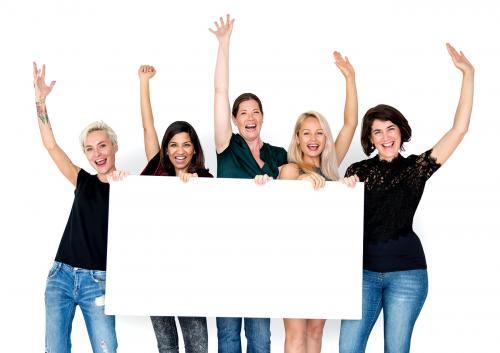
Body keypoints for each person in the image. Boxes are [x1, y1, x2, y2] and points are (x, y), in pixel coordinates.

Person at [339, 43, 474, 353]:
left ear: (401, 131)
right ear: (370, 139)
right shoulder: (357, 170)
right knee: (348, 348)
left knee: (396, 349)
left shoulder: (417, 168)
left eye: (391, 129)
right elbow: (341, 218)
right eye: (377, 132)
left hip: (408, 274)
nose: (386, 137)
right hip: (363, 274)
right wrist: (345, 192)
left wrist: (468, 74)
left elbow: (459, 129)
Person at [209, 14, 288, 353]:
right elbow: (221, 90)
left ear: (263, 117)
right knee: (228, 337)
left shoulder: (279, 154)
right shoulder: (227, 147)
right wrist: (224, 45)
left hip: (263, 256)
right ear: (234, 120)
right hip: (227, 254)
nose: (250, 117)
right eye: (243, 112)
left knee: (260, 338)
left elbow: (294, 197)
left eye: (255, 111)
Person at [34, 62, 124, 353]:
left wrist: (124, 185)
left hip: (97, 282)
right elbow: (51, 146)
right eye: (89, 148)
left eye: (102, 146)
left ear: (114, 147)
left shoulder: (130, 188)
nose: (97, 153)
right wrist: (40, 101)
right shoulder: (82, 180)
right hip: (60, 276)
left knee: (106, 348)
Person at [278, 51, 358, 353]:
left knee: (316, 332)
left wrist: (350, 78)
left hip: (325, 260)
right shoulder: (290, 168)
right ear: (297, 138)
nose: (314, 138)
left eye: (320, 133)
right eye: (306, 133)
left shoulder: (331, 169)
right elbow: (286, 189)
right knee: (297, 334)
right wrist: (300, 180)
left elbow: (350, 123)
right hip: (294, 262)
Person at [138, 64, 210, 353]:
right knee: (166, 346)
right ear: (166, 149)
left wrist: (193, 187)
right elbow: (147, 126)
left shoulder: (204, 179)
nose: (179, 150)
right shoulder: (156, 170)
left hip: (190, 274)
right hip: (156, 272)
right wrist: (144, 83)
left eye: (186, 144)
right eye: (173, 145)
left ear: (194, 149)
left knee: (198, 345)